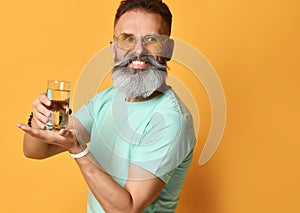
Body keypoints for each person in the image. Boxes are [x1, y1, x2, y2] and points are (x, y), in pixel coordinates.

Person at [17, 0, 196, 212]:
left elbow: (126, 209)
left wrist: (78, 150)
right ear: (114, 48)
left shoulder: (171, 120)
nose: (138, 50)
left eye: (151, 39)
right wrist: (38, 121)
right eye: (127, 39)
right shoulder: (108, 99)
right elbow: (37, 151)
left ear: (168, 49)